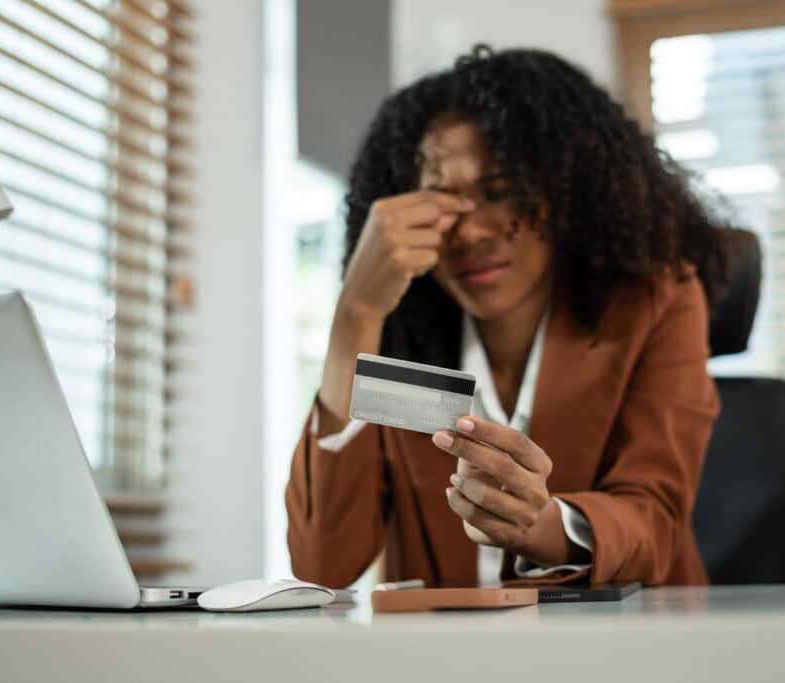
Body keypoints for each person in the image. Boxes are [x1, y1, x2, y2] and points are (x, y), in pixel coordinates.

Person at [285, 46, 731, 588]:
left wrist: (542, 527)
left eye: (499, 193)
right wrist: (356, 311)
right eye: (440, 199)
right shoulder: (399, 326)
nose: (472, 232)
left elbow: (656, 522)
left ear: (569, 190)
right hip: (447, 665)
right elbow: (321, 564)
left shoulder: (656, 302)